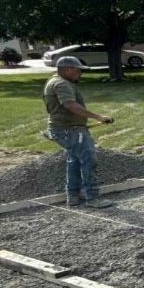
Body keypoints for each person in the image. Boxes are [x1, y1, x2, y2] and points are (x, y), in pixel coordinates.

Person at [43, 56, 115, 208]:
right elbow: (70, 105)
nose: (80, 74)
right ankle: (92, 198)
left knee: (74, 162)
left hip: (66, 129)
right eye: (78, 70)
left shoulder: (56, 81)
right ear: (67, 69)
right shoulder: (62, 84)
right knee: (89, 161)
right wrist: (99, 117)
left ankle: (73, 196)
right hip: (71, 131)